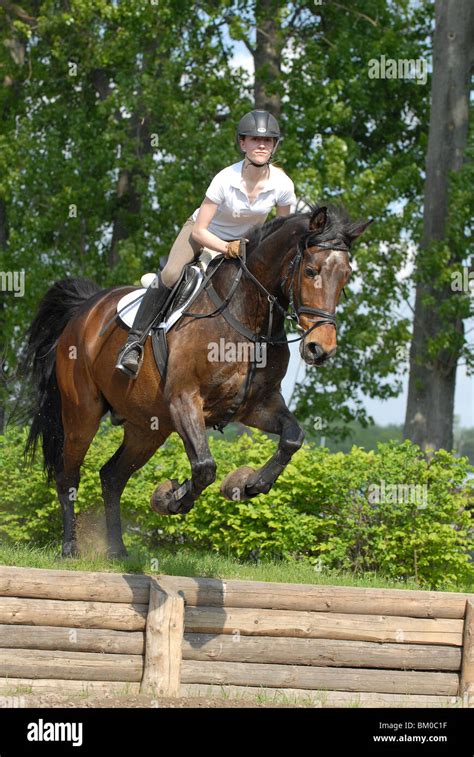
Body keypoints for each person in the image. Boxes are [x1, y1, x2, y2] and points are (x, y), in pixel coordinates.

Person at [116, 109, 297, 378]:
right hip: (203, 235)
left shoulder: (283, 185)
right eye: (254, 139)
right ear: (242, 143)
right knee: (171, 274)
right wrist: (226, 248)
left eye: (268, 141)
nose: (261, 145)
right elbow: (200, 230)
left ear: (274, 146)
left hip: (244, 244)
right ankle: (133, 344)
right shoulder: (225, 179)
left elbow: (281, 233)